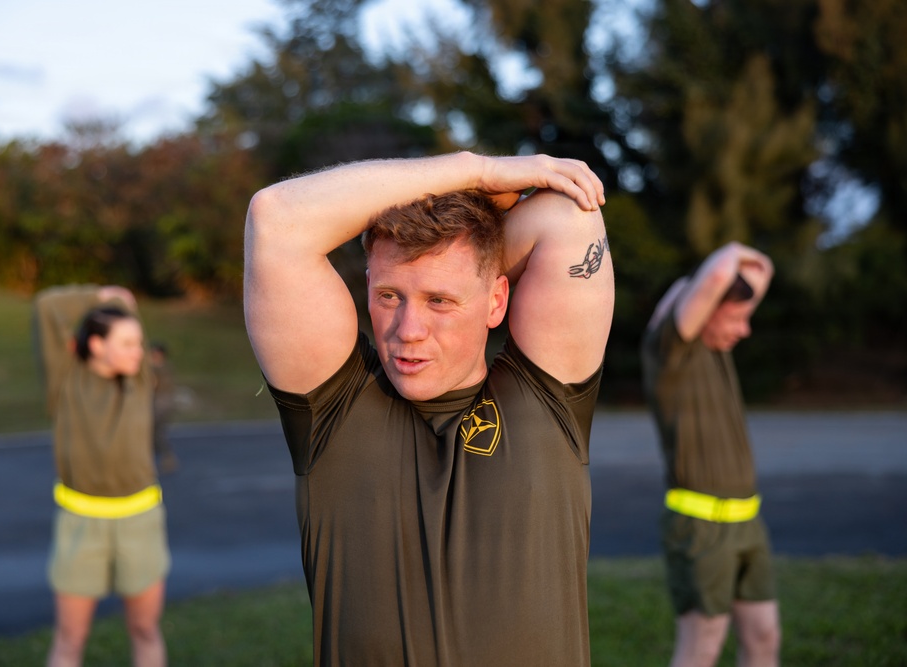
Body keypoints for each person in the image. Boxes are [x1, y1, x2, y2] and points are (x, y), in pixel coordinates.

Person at [243, 151, 613, 665]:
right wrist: (475, 172)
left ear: (496, 301)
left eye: (440, 300)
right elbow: (277, 218)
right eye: (390, 295)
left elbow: (569, 213)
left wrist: (470, 245)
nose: (408, 330)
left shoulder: (545, 399)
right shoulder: (334, 410)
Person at [640, 242, 780, 667]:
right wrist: (735, 249)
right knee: (702, 648)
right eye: (737, 317)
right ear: (706, 309)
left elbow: (763, 270)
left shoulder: (719, 350)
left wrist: (749, 267)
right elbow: (717, 276)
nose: (744, 330)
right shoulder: (670, 354)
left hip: (748, 522)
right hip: (701, 529)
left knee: (763, 636)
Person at [32, 285, 170, 667]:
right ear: (95, 345)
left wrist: (123, 305)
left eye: (138, 343)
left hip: (139, 522)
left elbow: (127, 307)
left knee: (145, 630)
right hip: (80, 525)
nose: (138, 352)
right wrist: (97, 296)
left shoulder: (138, 380)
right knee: (70, 638)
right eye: (126, 343)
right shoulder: (65, 382)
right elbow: (46, 306)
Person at [149, 342, 179, 474]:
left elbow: (153, 384)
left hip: (160, 405)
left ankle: (167, 458)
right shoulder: (161, 368)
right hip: (160, 403)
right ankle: (166, 459)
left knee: (157, 434)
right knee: (155, 434)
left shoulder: (160, 369)